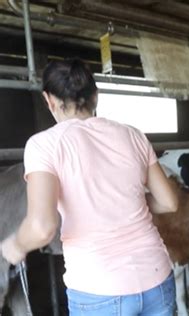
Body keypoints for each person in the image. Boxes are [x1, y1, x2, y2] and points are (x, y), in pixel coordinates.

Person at [0, 58, 179, 315]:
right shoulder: (133, 135)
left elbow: (42, 227)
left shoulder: (43, 145)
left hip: (99, 289)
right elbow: (169, 201)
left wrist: (13, 247)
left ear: (49, 100)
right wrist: (128, 199)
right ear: (96, 96)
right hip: (157, 278)